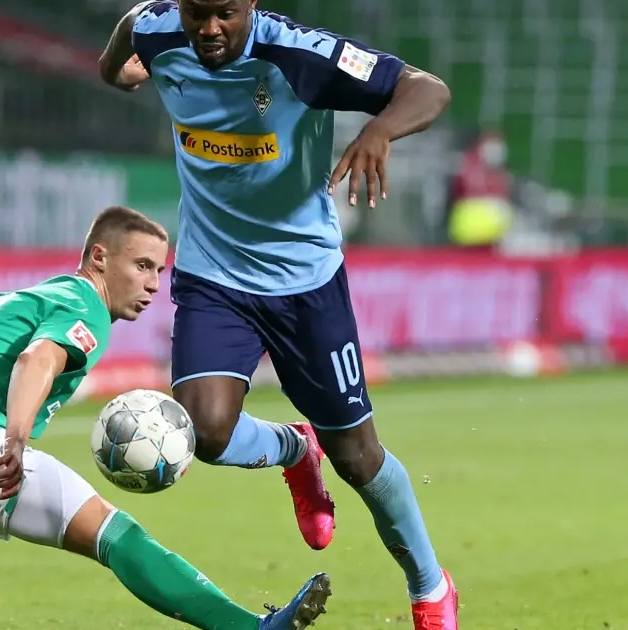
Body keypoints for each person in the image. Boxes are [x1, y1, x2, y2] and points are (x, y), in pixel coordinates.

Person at [98, 2, 458, 628]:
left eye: (225, 13)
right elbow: (126, 44)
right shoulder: (158, 31)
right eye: (197, 13)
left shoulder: (301, 57)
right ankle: (294, 449)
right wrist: (122, 66)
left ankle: (430, 586)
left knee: (358, 458)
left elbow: (428, 89)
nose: (209, 29)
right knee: (206, 433)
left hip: (305, 285)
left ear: (251, 4)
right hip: (214, 276)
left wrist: (379, 130)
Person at [0, 206, 332, 630]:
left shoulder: (41, 296)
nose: (152, 284)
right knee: (115, 534)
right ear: (100, 257)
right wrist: (14, 441)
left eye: (159, 270)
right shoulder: (86, 306)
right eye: (141, 265)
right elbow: (36, 359)